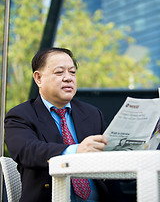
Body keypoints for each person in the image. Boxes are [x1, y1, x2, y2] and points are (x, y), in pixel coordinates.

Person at [4, 47, 128, 202]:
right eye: (59, 72)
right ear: (38, 78)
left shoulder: (92, 114)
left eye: (72, 72)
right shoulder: (21, 115)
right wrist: (75, 150)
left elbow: (111, 161)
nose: (68, 78)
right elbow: (27, 151)